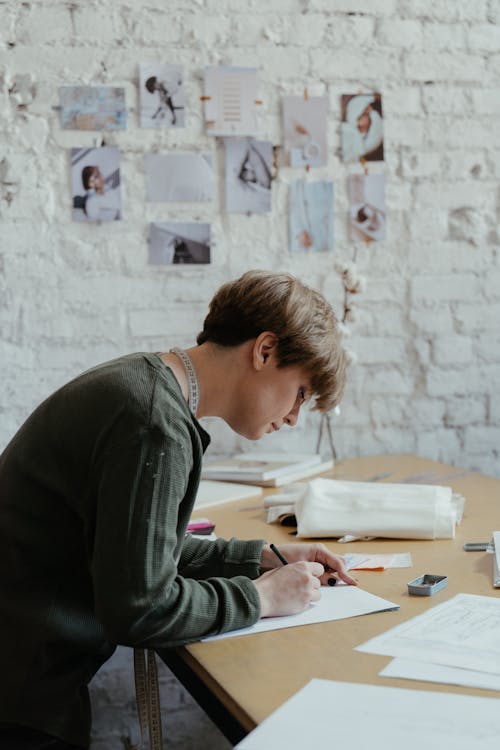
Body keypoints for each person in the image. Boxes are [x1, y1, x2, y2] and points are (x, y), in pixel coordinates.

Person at [0, 270, 354, 749]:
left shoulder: (144, 385)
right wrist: (263, 598)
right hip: (22, 696)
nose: (293, 417)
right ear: (264, 350)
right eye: (300, 393)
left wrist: (264, 558)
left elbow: (139, 548)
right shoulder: (154, 426)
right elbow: (141, 610)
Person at [341, 94, 384, 163]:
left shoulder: (366, 143)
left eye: (364, 114)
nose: (360, 115)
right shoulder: (346, 129)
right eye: (361, 112)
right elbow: (355, 104)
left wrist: (372, 113)